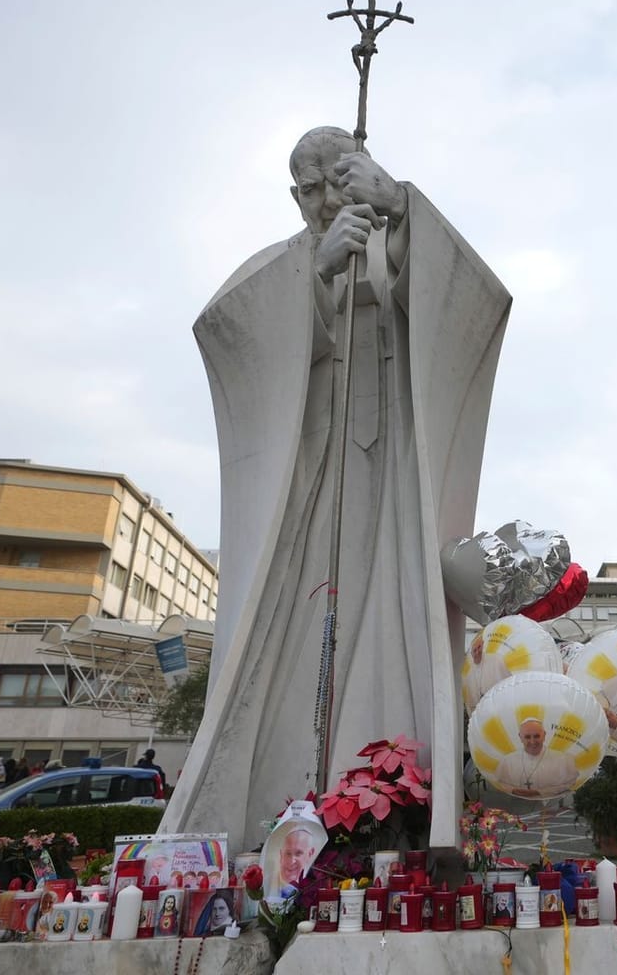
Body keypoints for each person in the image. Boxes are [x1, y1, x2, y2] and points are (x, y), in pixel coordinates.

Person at [164, 128, 512, 852]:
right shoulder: (285, 265)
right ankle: (278, 808)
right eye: (308, 190)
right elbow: (225, 331)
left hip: (393, 488)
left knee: (396, 621)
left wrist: (403, 211)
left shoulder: (397, 239)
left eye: (336, 182)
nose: (324, 201)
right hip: (308, 489)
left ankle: (394, 808)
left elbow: (478, 300)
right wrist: (313, 279)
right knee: (291, 630)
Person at [495, 718, 576, 798]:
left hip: (551, 801)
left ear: (544, 735)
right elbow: (501, 783)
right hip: (515, 801)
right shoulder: (507, 760)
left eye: (537, 736)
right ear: (520, 737)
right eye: (527, 737)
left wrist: (539, 792)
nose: (532, 741)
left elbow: (569, 784)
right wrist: (513, 790)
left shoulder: (564, 759)